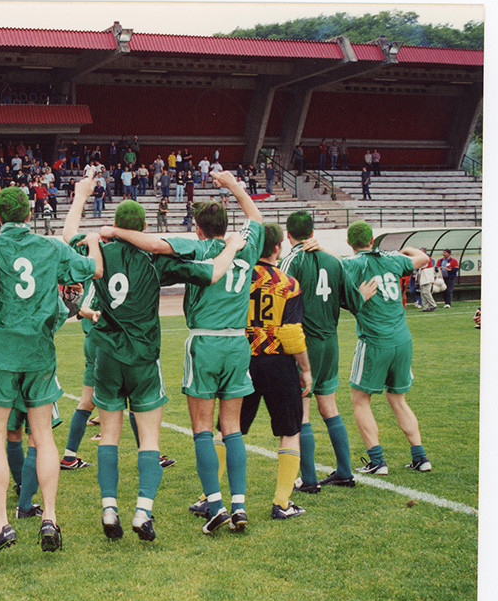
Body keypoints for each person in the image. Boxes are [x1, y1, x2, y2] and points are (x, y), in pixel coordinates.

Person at [102, 171, 264, 535]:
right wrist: (233, 186)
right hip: (239, 342)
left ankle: (216, 504)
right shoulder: (246, 244)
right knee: (233, 429)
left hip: (205, 342)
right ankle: (239, 506)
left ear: (199, 228)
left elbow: (156, 245)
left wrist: (115, 232)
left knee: (203, 430)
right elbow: (255, 217)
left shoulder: (203, 248)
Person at [0, 174, 103, 560]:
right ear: (28, 213)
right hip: (40, 353)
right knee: (43, 437)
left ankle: (0, 523)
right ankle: (50, 518)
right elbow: (92, 269)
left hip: (2, 351)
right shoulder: (50, 247)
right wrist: (91, 241)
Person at [279, 211, 374, 492]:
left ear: (288, 235)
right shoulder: (334, 260)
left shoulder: (292, 260)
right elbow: (354, 301)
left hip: (304, 345)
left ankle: (308, 480)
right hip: (330, 343)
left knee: (303, 411)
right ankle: (344, 472)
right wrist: (362, 296)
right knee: (329, 407)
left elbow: (279, 296)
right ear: (313, 231)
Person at [341, 221, 432, 474]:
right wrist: (406, 250)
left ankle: (377, 460)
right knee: (398, 398)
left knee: (360, 399)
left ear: (351, 243)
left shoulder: (355, 263)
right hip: (402, 339)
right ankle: (420, 457)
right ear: (373, 239)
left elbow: (333, 265)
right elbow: (422, 258)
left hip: (375, 340)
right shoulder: (393, 260)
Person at [238, 223, 313, 519]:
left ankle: (209, 496)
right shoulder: (288, 283)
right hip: (278, 361)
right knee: (290, 431)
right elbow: (292, 333)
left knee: (229, 428)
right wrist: (305, 369)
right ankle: (282, 502)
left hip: (243, 359)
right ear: (278, 248)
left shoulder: (240, 277)